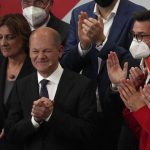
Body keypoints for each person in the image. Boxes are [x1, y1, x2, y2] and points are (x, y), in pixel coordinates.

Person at [60, 0, 145, 149]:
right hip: (86, 112)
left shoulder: (136, 14)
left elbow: (137, 63)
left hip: (121, 112)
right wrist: (83, 46)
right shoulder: (79, 13)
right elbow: (67, 65)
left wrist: (102, 41)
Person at [4, 27, 97, 150]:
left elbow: (89, 132)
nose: (40, 56)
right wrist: (34, 120)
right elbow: (11, 133)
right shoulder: (21, 85)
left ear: (60, 51)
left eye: (46, 51)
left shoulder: (82, 85)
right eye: (35, 51)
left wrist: (51, 115)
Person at [107, 10, 150, 150]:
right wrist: (125, 89)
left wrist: (139, 107)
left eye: (142, 36)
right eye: (134, 35)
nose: (136, 41)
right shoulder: (139, 68)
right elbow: (140, 130)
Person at [0, 13, 35, 150]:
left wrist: (9, 131)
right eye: (0, 37)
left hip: (25, 142)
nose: (3, 43)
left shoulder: (36, 68)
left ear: (24, 38)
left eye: (10, 37)